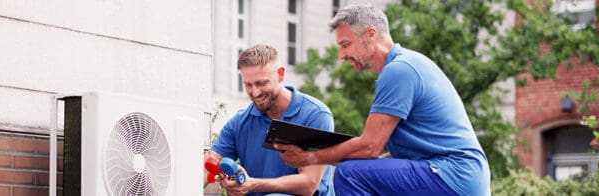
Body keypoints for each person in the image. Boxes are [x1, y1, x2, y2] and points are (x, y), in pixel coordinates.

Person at [273, 2, 491, 196]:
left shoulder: (398, 71)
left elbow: (369, 147)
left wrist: (310, 157)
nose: (341, 55)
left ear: (370, 34)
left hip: (453, 173)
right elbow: (381, 155)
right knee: (361, 169)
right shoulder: (407, 64)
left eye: (345, 44)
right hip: (456, 175)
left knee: (350, 174)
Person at [205, 44, 335, 196]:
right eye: (248, 85)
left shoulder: (315, 116)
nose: (255, 92)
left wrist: (252, 184)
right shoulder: (240, 123)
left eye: (261, 83)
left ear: (280, 75)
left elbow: (308, 184)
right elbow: (206, 166)